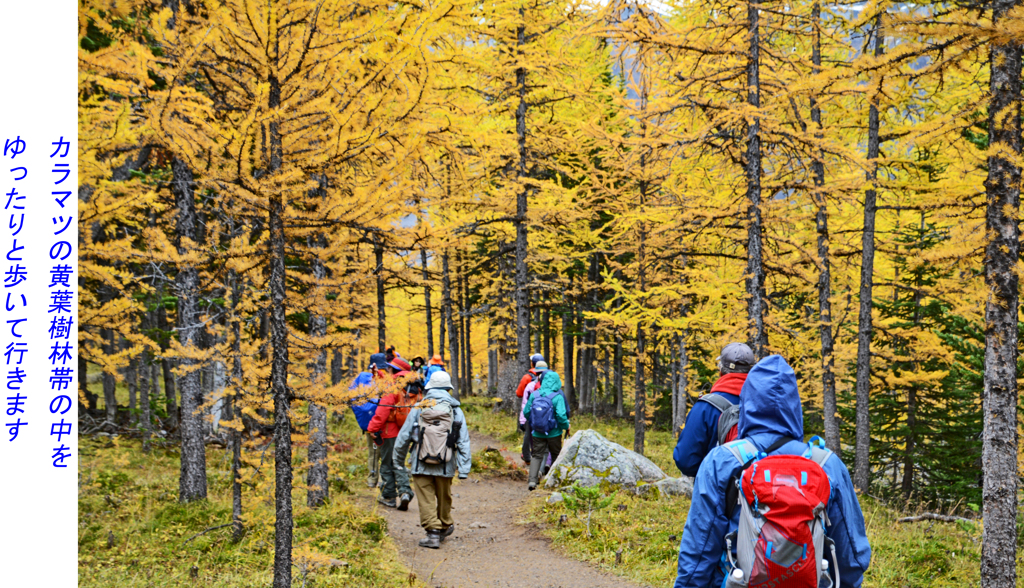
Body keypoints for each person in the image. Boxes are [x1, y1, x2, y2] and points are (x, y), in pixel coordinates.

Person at [673, 355, 871, 588]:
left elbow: (698, 550)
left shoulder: (722, 460)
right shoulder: (827, 464)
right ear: (794, 406)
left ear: (747, 403)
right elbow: (851, 554)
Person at [393, 371, 471, 549]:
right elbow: (463, 440)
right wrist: (464, 468)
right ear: (448, 388)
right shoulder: (455, 410)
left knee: (426, 498)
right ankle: (444, 525)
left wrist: (397, 460)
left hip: (420, 461)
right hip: (446, 462)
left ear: (430, 388)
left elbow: (404, 436)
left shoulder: (419, 407)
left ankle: (432, 534)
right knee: (444, 496)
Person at [673, 342, 755, 477]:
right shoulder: (767, 404)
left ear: (721, 370)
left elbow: (685, 461)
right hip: (760, 491)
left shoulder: (705, 407)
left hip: (717, 493)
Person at [367, 370, 421, 510]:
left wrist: (372, 428)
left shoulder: (392, 388)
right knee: (398, 462)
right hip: (406, 431)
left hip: (389, 432)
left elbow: (383, 411)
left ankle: (389, 496)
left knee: (386, 464)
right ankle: (404, 492)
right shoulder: (412, 389)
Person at [523, 369, 570, 491]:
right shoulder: (557, 396)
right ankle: (553, 481)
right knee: (556, 455)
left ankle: (532, 481)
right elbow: (561, 415)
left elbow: (526, 412)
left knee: (536, 455)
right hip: (554, 433)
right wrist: (566, 426)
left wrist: (534, 423)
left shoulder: (535, 394)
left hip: (537, 432)